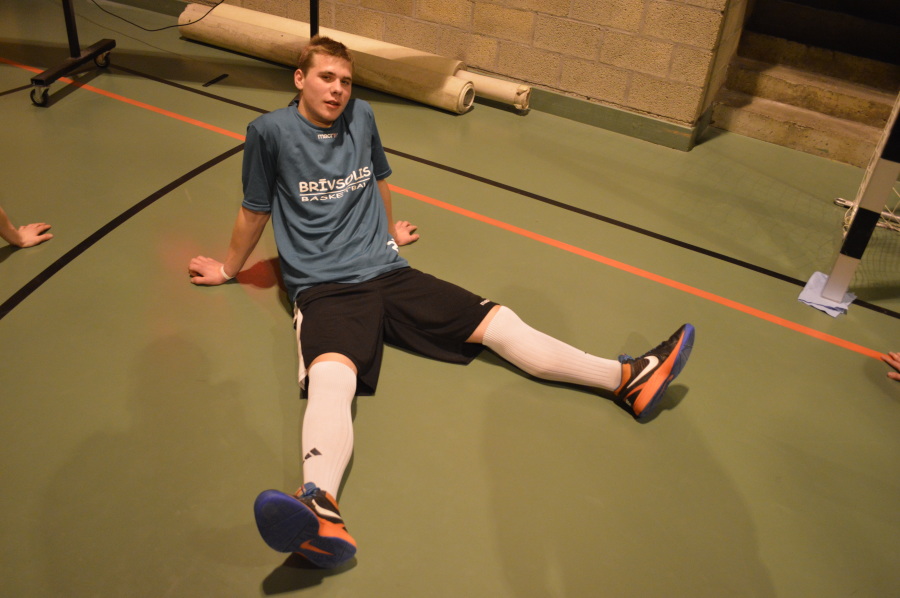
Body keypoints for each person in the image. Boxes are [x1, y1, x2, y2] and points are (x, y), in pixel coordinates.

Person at [188, 36, 695, 569]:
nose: (337, 90)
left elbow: (378, 181)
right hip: (326, 286)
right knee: (331, 376)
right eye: (326, 78)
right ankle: (319, 506)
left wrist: (388, 234)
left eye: (345, 81)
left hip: (388, 271)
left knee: (499, 322)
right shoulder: (269, 132)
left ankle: (627, 379)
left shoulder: (362, 116)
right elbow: (254, 210)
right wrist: (228, 269)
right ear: (300, 79)